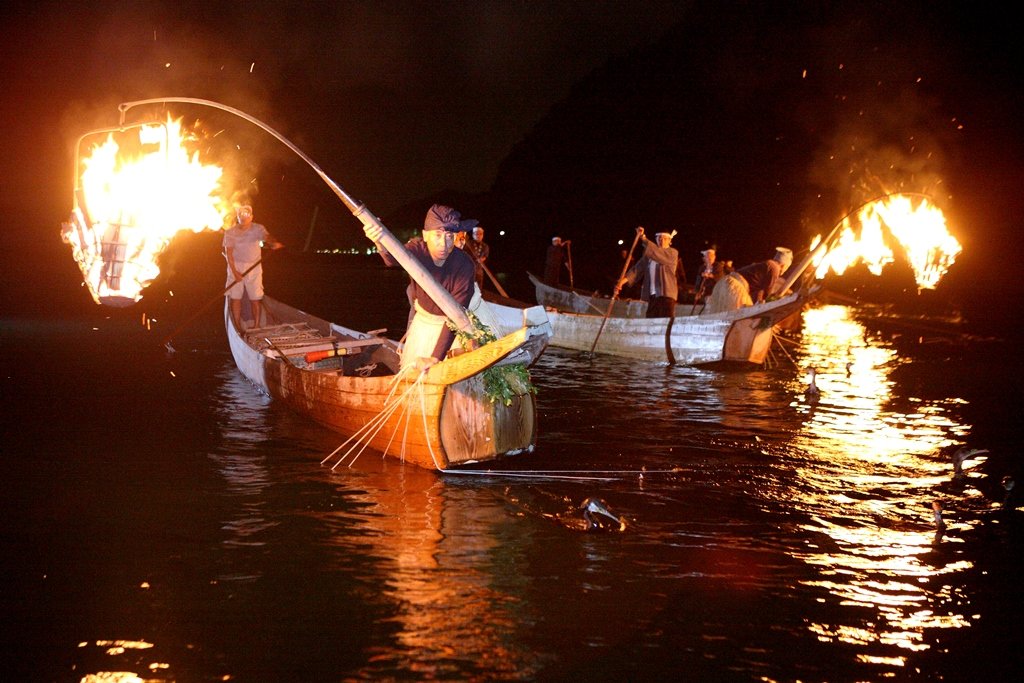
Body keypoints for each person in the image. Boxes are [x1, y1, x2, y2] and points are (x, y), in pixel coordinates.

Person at [362, 204, 478, 371]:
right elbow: (392, 259)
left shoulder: (465, 265)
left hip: (453, 329)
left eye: (449, 236)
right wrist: (379, 241)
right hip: (423, 324)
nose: (443, 244)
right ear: (425, 235)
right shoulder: (416, 250)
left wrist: (435, 357)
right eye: (437, 235)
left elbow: (455, 316)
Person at [223, 204, 283, 330]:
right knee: (236, 297)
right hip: (236, 266)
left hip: (254, 267)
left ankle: (256, 326)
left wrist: (273, 243)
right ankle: (238, 326)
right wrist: (235, 273)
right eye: (241, 215)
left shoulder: (258, 229)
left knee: (255, 297)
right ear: (238, 217)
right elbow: (229, 254)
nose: (244, 217)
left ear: (251, 216)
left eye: (247, 214)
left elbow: (266, 237)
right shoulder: (230, 232)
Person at [704, 247, 794, 314]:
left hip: (726, 284)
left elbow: (760, 292)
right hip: (734, 288)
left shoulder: (766, 265)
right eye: (786, 268)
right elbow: (767, 292)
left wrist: (758, 303)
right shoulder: (775, 268)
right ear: (783, 265)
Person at [615, 227, 679, 318]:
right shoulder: (650, 255)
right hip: (653, 295)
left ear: (669, 241)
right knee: (651, 321)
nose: (661, 240)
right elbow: (637, 269)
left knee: (665, 322)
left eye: (664, 238)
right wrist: (621, 282)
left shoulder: (672, 253)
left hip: (666, 295)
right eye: (659, 238)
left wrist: (643, 238)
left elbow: (657, 253)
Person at [465, 225, 490, 290]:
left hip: (479, 270)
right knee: (467, 286)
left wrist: (482, 259)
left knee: (478, 287)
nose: (478, 235)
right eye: (476, 234)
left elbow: (486, 256)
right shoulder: (468, 243)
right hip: (468, 269)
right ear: (473, 235)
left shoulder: (485, 246)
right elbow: (464, 254)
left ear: (482, 235)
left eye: (480, 234)